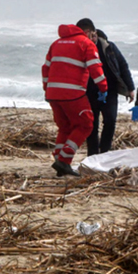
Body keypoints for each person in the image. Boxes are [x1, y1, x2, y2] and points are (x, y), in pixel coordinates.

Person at [42, 18, 108, 177]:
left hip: (53, 93)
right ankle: (64, 160)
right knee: (86, 124)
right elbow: (95, 68)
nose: (94, 38)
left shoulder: (56, 43)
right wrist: (103, 88)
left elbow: (45, 68)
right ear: (88, 32)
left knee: (65, 127)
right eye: (93, 34)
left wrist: (47, 88)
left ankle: (59, 159)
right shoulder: (86, 43)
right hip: (72, 93)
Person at [85, 28, 135, 155]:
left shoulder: (109, 47)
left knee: (111, 120)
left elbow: (123, 65)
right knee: (92, 124)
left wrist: (130, 88)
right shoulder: (83, 48)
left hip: (110, 90)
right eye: (91, 36)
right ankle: (92, 153)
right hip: (89, 91)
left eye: (95, 36)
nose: (93, 38)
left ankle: (105, 151)